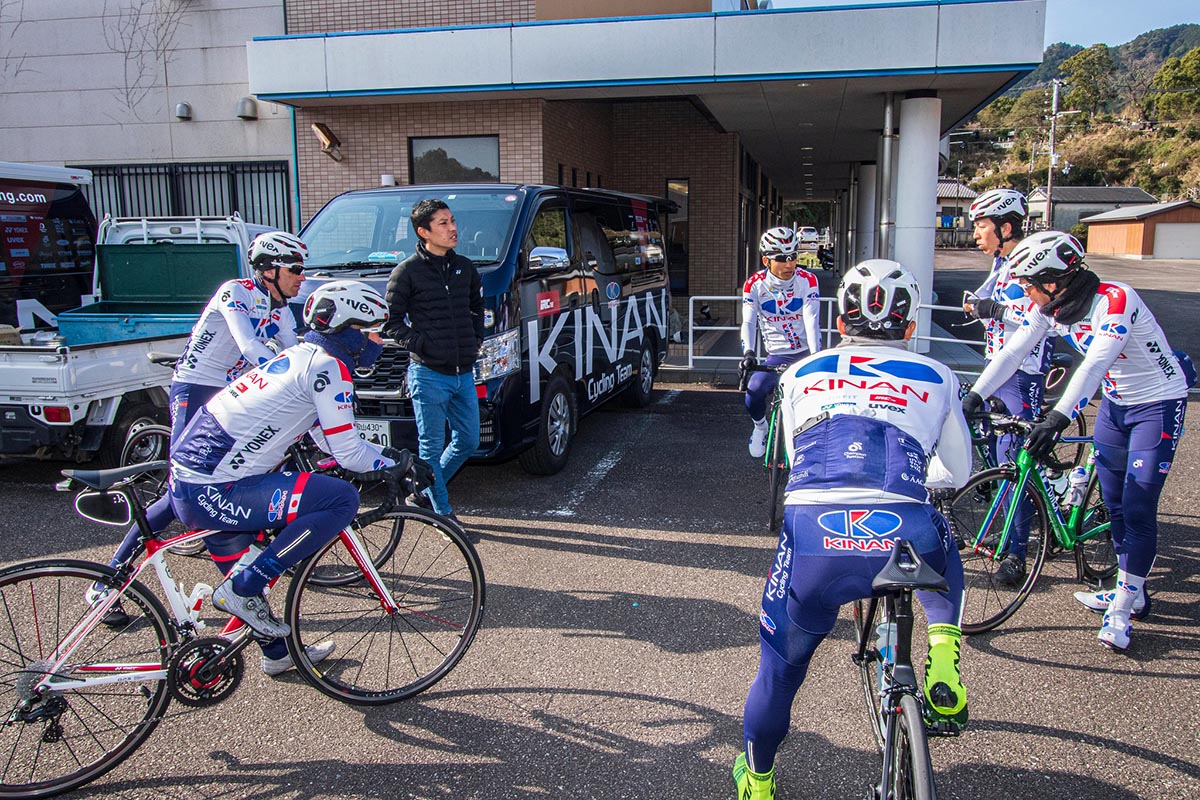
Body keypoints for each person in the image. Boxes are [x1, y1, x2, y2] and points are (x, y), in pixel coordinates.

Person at [734, 259, 972, 800]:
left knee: (778, 673)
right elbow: (957, 472)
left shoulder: (800, 373)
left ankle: (758, 779)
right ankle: (943, 653)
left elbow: (798, 461)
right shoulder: (938, 375)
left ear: (840, 321)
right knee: (937, 530)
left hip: (817, 530)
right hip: (902, 526)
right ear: (910, 326)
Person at [962, 231, 1190, 651]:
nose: (1026, 295)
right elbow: (1012, 353)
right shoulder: (1052, 307)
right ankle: (1129, 587)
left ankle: (1123, 609)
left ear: (1054, 279)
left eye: (1030, 285)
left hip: (1157, 403)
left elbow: (1095, 365)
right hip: (1117, 405)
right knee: (1117, 504)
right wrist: (975, 395)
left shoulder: (1115, 300)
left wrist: (1056, 418)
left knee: (1137, 505)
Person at [170, 281, 413, 653]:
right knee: (341, 500)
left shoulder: (304, 355)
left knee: (248, 591)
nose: (379, 342)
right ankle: (246, 586)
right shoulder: (329, 367)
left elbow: (326, 441)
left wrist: (381, 457)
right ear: (352, 333)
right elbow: (349, 455)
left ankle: (276, 655)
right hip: (213, 489)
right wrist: (396, 461)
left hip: (194, 483)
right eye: (373, 332)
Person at [87, 232, 308, 641]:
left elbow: (296, 351)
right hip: (196, 388)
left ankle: (245, 551)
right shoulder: (235, 293)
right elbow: (251, 346)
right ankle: (108, 582)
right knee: (181, 490)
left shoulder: (282, 310)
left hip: (229, 392)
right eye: (295, 269)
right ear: (269, 269)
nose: (302, 277)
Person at [961, 188, 1054, 586]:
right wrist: (980, 303)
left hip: (1024, 373)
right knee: (995, 452)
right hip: (997, 367)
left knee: (1014, 463)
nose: (975, 235)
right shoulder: (1003, 261)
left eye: (981, 226)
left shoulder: (1031, 260)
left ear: (1006, 226)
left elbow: (1039, 312)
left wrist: (991, 309)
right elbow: (988, 296)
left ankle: (1017, 551)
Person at [384, 199, 484, 524]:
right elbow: (392, 323)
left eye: (452, 220)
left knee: (468, 440)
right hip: (427, 374)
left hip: (463, 372)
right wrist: (422, 345)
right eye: (443, 223)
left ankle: (424, 488)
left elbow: (476, 310)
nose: (452, 228)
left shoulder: (465, 268)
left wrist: (475, 341)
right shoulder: (407, 272)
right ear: (423, 231)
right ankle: (442, 512)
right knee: (430, 446)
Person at [739, 226, 823, 458]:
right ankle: (760, 427)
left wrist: (815, 358)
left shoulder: (807, 280)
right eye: (782, 259)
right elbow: (748, 322)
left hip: (805, 351)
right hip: (777, 354)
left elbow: (811, 320)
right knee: (754, 391)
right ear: (766, 260)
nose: (790, 264)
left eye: (793, 257)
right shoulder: (754, 285)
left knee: (817, 399)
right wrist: (748, 354)